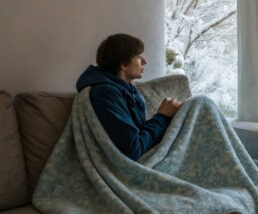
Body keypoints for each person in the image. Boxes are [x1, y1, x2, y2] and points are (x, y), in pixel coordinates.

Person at [76, 33, 181, 161]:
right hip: (131, 164)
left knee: (195, 106)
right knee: (200, 103)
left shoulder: (126, 90)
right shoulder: (105, 93)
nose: (144, 61)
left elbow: (137, 134)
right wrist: (162, 117)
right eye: (138, 57)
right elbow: (133, 149)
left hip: (145, 153)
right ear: (124, 64)